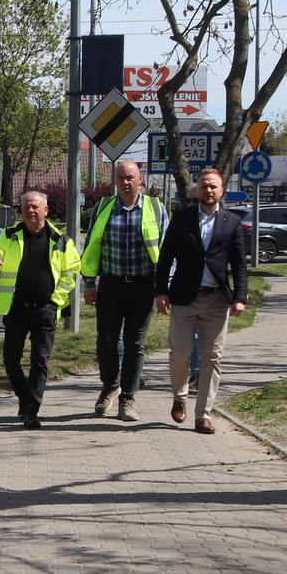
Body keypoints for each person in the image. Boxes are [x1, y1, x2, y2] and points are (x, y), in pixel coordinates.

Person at [155, 168, 249, 435]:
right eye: (204, 186)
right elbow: (166, 257)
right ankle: (179, 397)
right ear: (197, 190)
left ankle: (203, 415)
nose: (208, 190)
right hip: (184, 297)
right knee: (180, 353)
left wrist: (240, 296)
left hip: (217, 299)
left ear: (221, 191)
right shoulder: (183, 218)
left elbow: (240, 264)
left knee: (212, 358)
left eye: (213, 187)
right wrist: (161, 291)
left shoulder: (232, 221)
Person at [0, 191, 82, 429]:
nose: (30, 210)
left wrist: (55, 303)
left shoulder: (60, 240)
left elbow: (72, 271)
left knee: (40, 362)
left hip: (45, 312)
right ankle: (25, 398)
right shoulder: (9, 235)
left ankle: (31, 413)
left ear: (46, 211)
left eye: (35, 207)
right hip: (16, 309)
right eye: (26, 206)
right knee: (10, 360)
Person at [81, 160, 168, 422]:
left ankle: (128, 398)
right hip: (111, 284)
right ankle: (110, 385)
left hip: (144, 286)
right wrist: (88, 284)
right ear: (115, 181)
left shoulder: (155, 207)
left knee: (135, 344)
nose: (125, 182)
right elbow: (92, 247)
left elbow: (166, 251)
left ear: (140, 179)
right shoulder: (104, 207)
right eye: (120, 178)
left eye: (130, 177)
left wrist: (164, 289)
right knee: (106, 341)